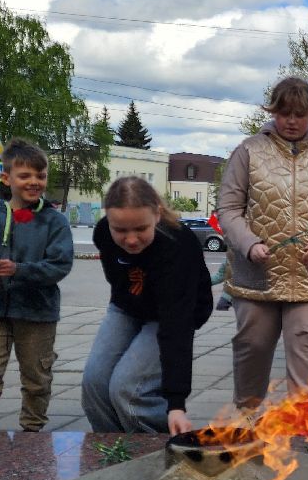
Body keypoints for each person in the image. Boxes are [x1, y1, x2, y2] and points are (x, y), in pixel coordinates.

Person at [217, 76, 308, 407]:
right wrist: (249, 243)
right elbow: (228, 208)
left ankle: (303, 423)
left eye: (300, 114)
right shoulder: (249, 151)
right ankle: (247, 415)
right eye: (284, 113)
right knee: (252, 346)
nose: (291, 121)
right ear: (272, 112)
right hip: (258, 273)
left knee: (307, 347)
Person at [0, 139, 74, 441]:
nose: (34, 182)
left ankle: (31, 435)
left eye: (41, 175)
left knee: (36, 378)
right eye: (25, 175)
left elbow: (60, 265)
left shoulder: (54, 221)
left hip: (37, 312)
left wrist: (19, 270)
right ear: (6, 178)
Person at [83, 177, 214, 435]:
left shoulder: (178, 244)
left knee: (128, 389)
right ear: (108, 219)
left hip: (174, 312)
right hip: (128, 306)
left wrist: (176, 404)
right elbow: (118, 279)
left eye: (141, 229)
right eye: (120, 230)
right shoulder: (103, 233)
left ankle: (156, 444)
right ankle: (111, 446)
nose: (131, 240)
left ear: (157, 214)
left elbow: (177, 327)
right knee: (94, 381)